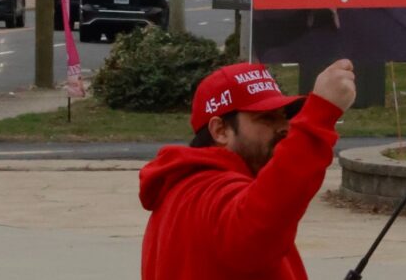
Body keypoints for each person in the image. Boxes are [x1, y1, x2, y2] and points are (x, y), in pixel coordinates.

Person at [139, 59, 356, 280]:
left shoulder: (182, 188)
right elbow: (258, 225)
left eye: (284, 116)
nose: (284, 127)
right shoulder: (209, 190)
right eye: (266, 118)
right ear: (220, 130)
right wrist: (320, 114)